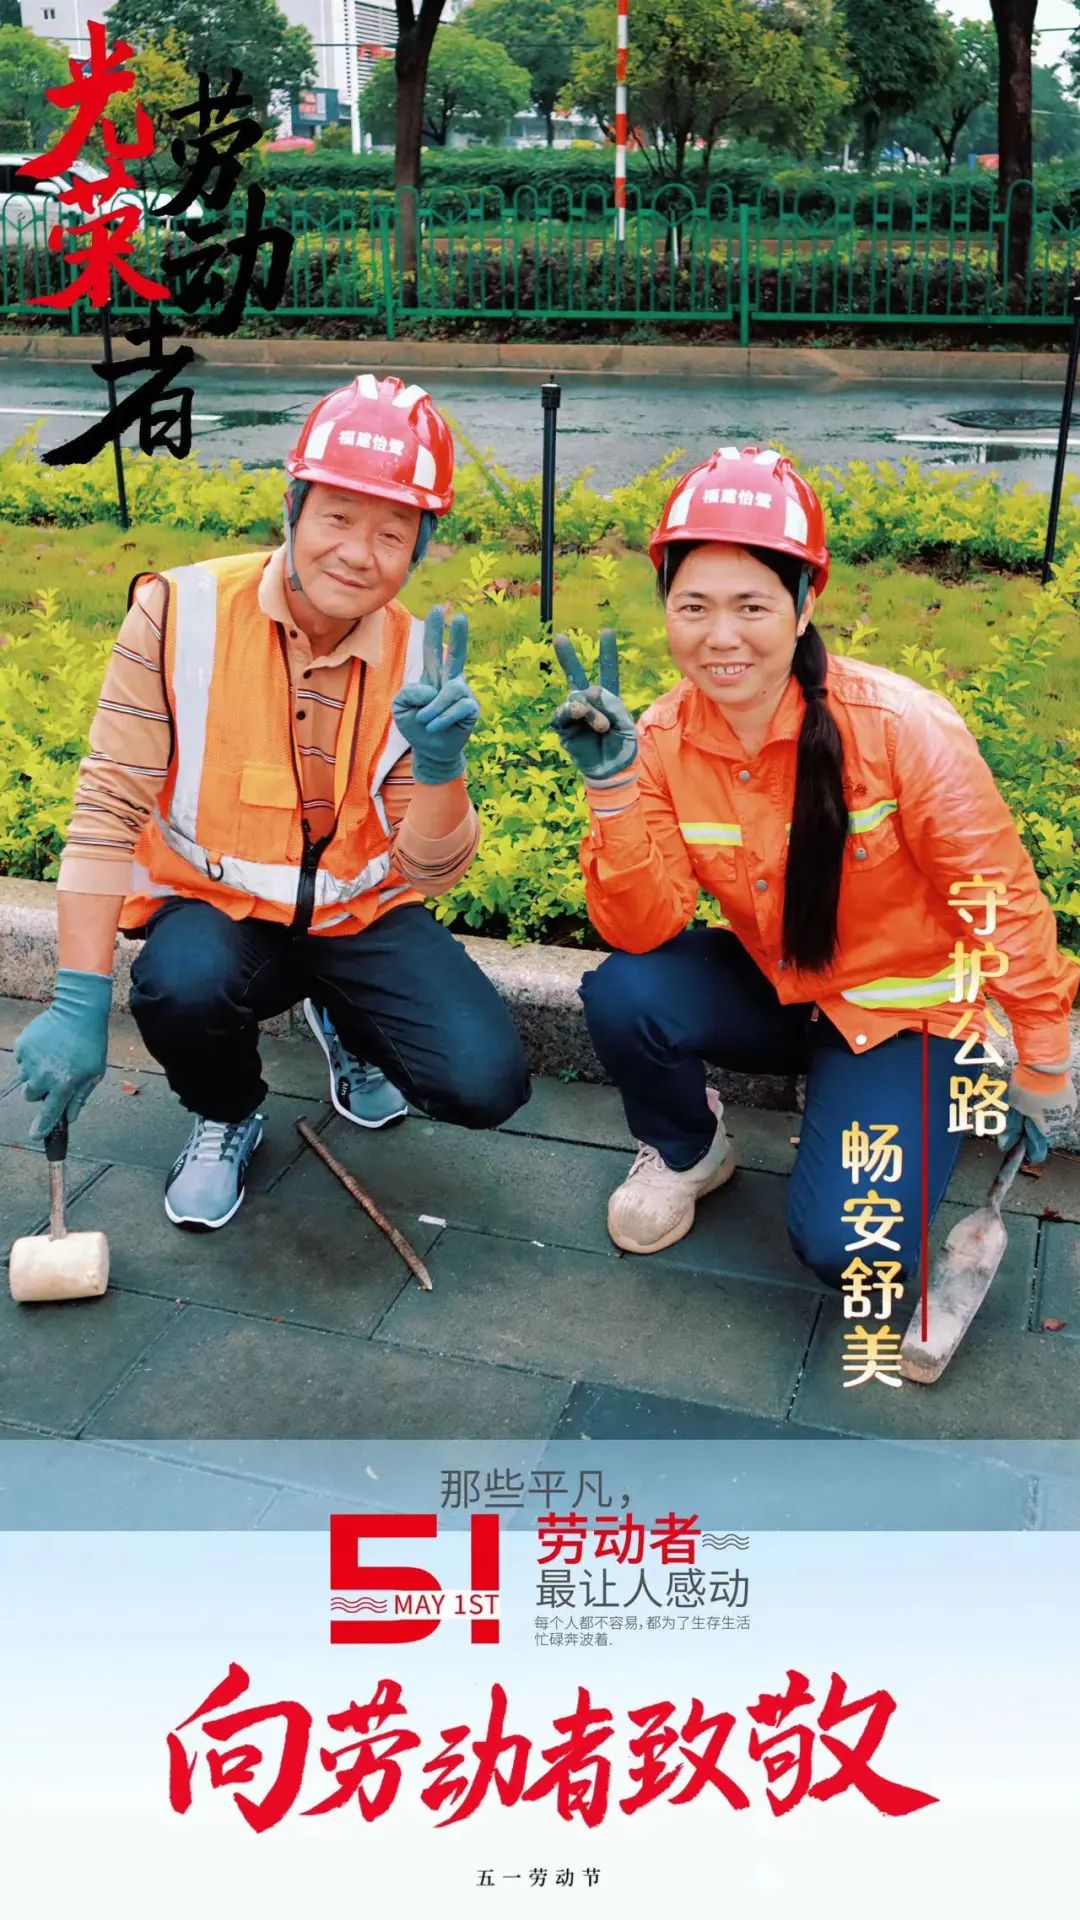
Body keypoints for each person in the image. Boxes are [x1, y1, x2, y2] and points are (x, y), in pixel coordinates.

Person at [549, 444, 1078, 1287]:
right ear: (666, 608)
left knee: (853, 1247)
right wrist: (611, 792)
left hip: (909, 1013)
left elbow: (995, 893)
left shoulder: (900, 728)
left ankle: (900, 1105)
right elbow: (642, 928)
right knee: (626, 991)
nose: (721, 637)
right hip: (783, 985)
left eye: (752, 605)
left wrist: (1042, 1054)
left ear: (804, 605)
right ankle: (688, 1150)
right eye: (694, 606)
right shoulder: (658, 739)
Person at [14, 373, 530, 1229]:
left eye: (392, 532)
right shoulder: (178, 613)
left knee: (486, 1081)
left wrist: (442, 767)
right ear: (291, 509)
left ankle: (346, 1024)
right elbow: (107, 809)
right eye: (337, 517)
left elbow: (432, 873)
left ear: (419, 550)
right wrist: (78, 1000)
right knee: (180, 988)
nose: (358, 553)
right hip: (217, 914)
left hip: (358, 915)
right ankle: (226, 1112)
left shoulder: (420, 659)